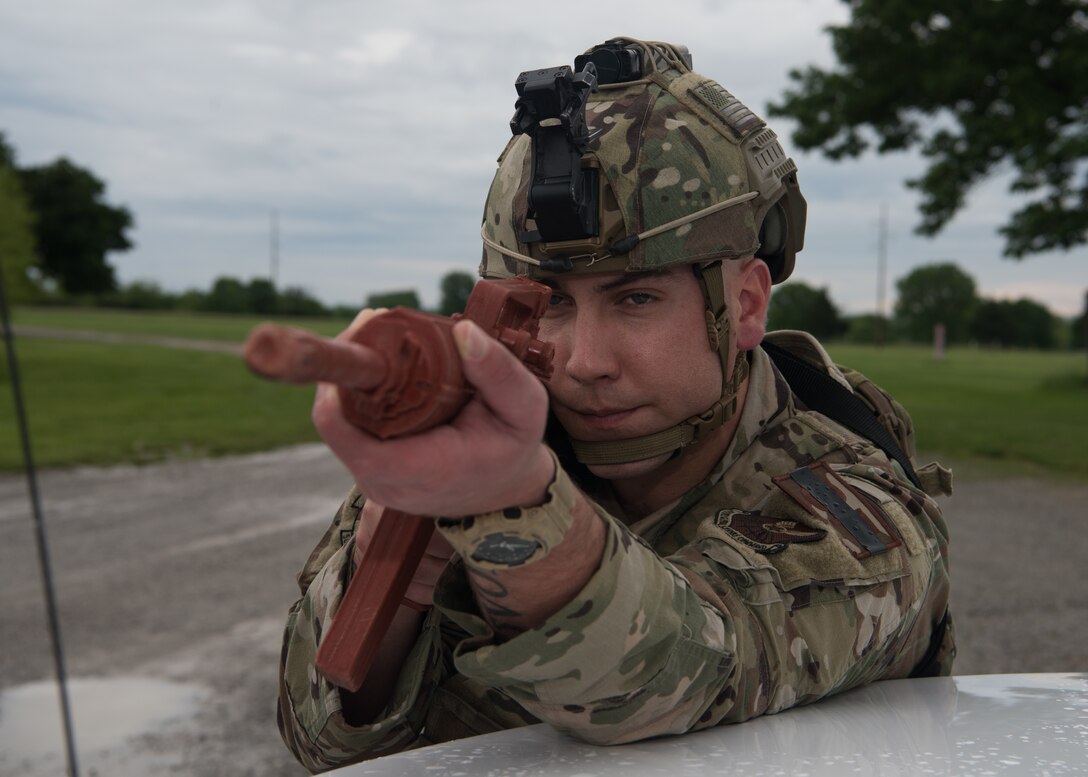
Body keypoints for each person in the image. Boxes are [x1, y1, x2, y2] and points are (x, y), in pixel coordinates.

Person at [276, 37, 954, 773]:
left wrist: (512, 510)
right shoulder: (479, 442)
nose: (585, 362)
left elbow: (685, 672)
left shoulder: (853, 496)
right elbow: (322, 740)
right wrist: (397, 584)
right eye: (551, 304)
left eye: (636, 299)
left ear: (747, 303)